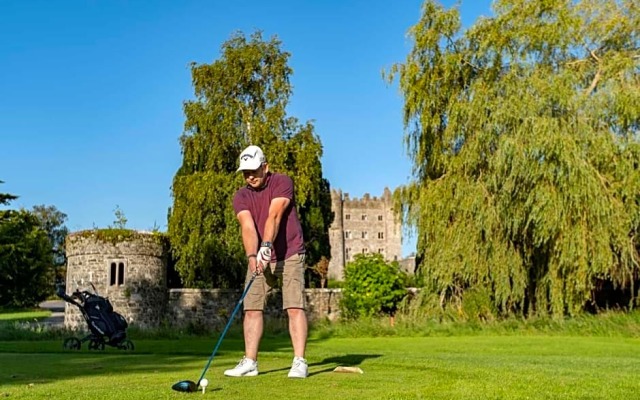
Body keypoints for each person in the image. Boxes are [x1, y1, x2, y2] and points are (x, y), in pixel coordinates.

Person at [224, 145, 309, 379]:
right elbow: (248, 227)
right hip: (260, 257)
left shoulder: (282, 182)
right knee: (251, 308)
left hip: (290, 253)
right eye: (245, 172)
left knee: (294, 306)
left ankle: (299, 362)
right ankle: (250, 362)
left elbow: (275, 215)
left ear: (265, 167)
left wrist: (267, 245)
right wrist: (253, 256)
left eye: (254, 170)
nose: (250, 176)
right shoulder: (242, 196)